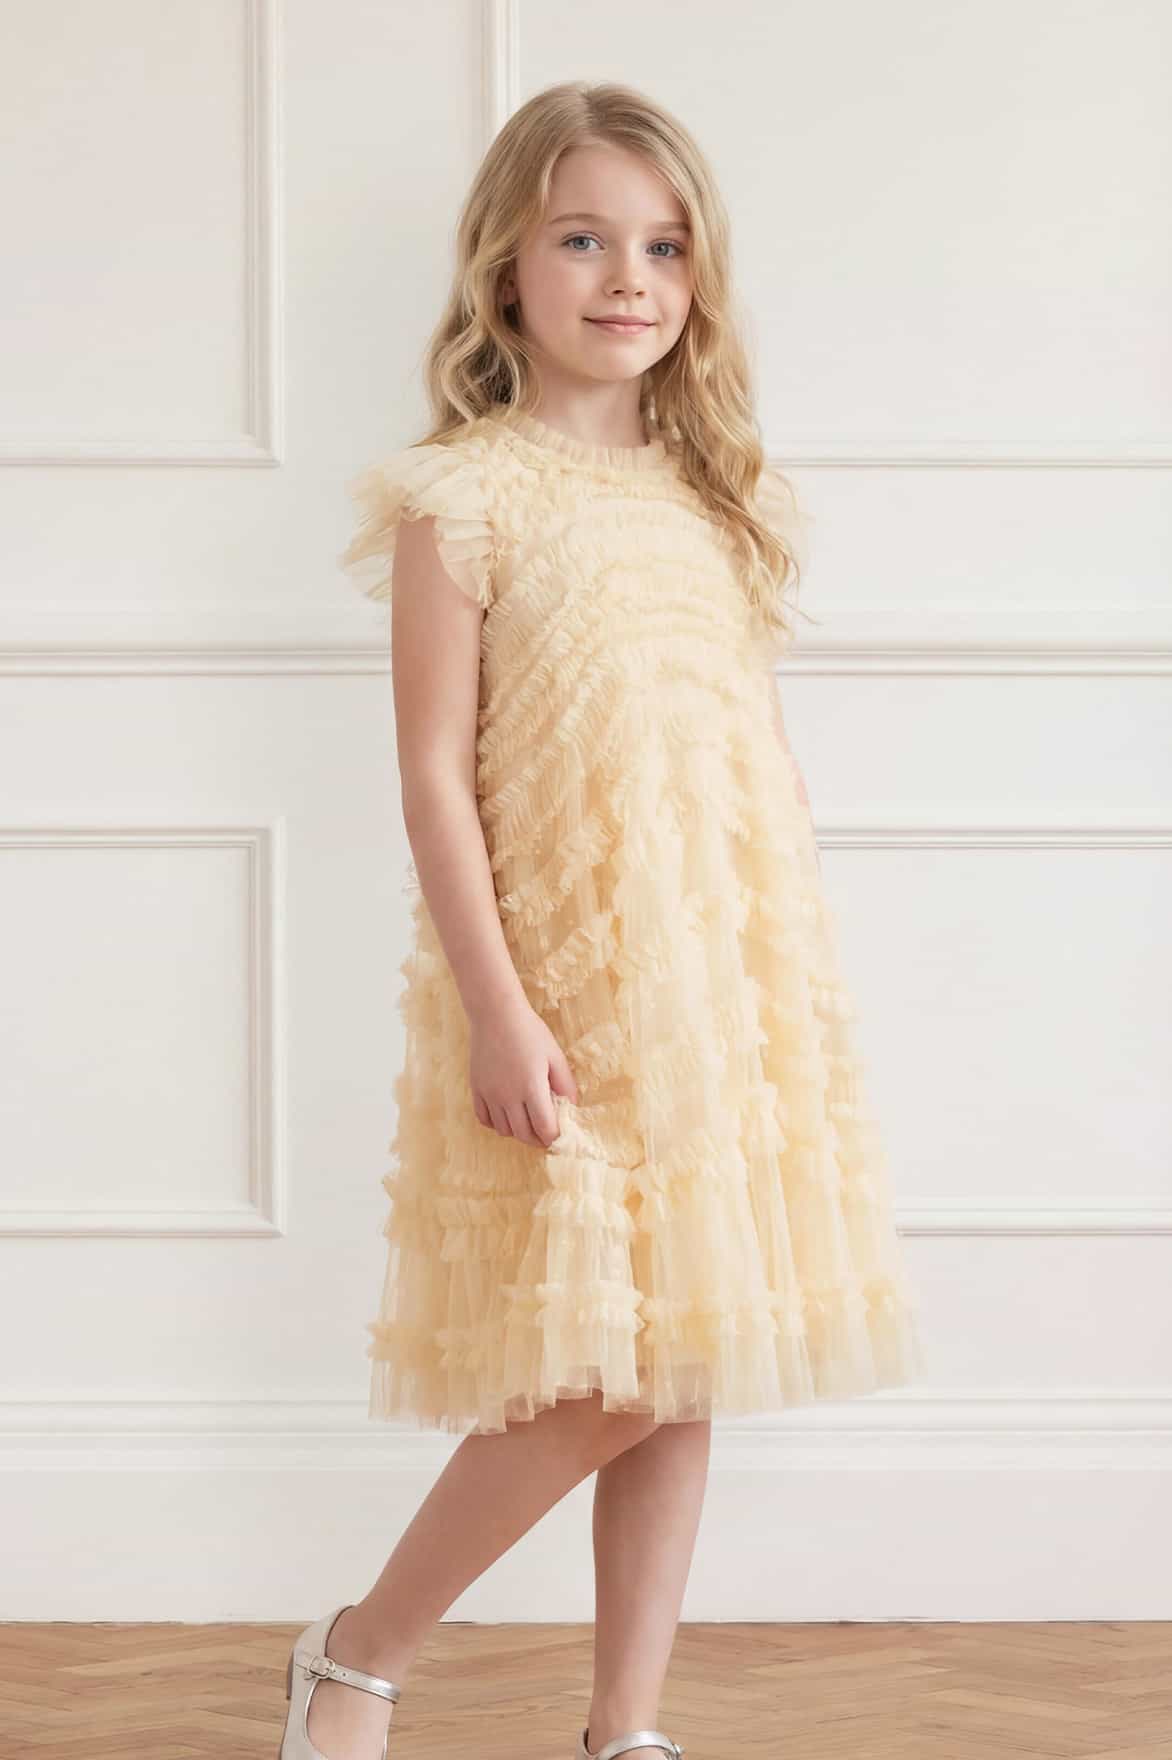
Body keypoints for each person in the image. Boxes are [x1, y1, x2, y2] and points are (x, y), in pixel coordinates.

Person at [280, 78, 927, 1760]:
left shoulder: (719, 497)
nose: (628, 278)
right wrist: (501, 1008)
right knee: (608, 1368)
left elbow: (751, 751)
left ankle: (624, 1722)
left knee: (685, 1353)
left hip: (725, 977)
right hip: (565, 981)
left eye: (664, 246)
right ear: (508, 266)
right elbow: (434, 776)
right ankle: (359, 1652)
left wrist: (788, 987)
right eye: (583, 240)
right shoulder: (463, 498)